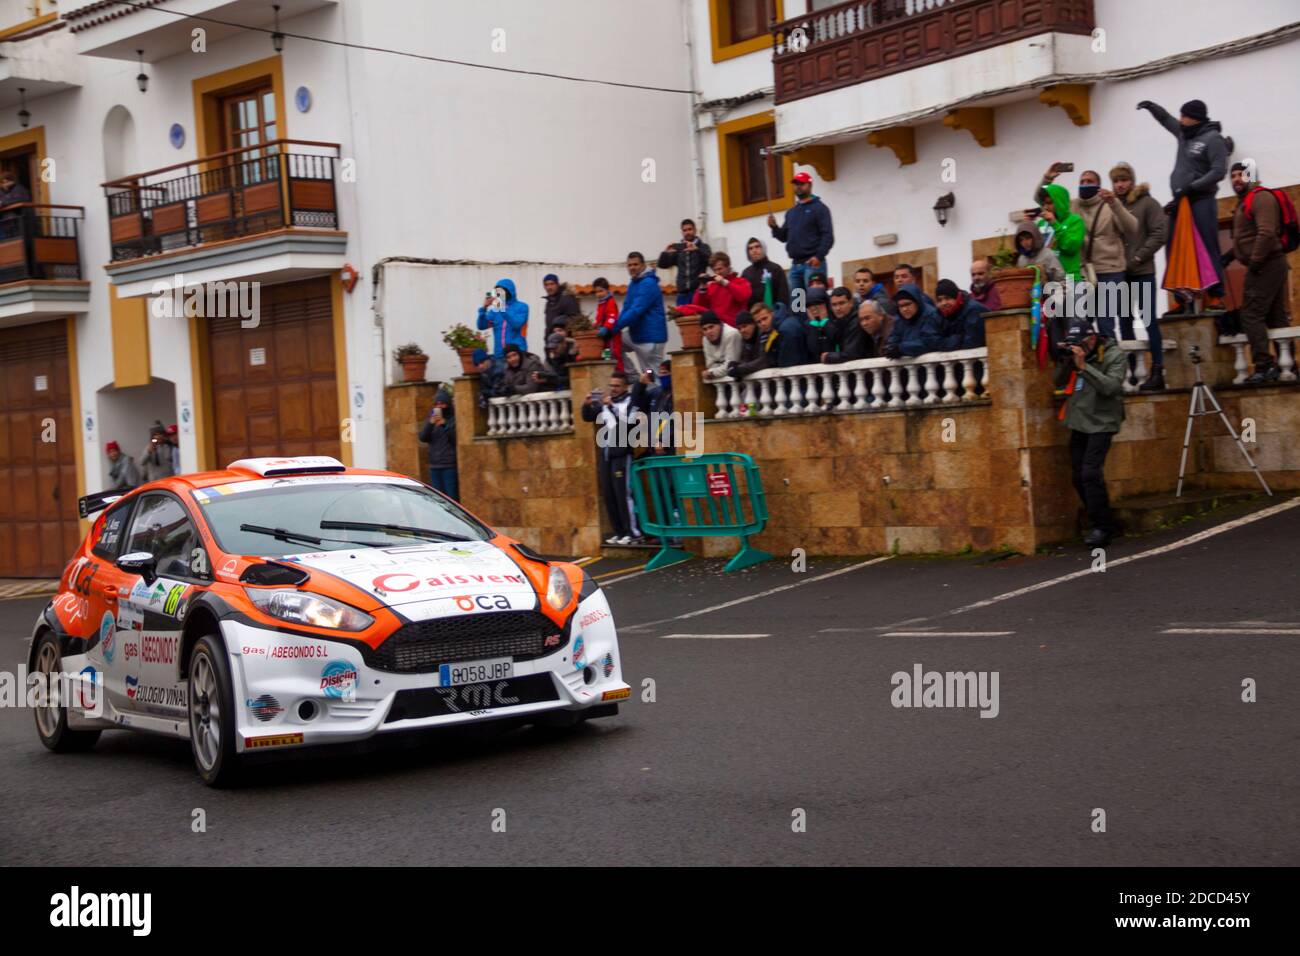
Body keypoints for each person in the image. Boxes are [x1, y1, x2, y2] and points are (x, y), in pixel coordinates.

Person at [1137, 98, 1230, 312]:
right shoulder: (1183, 134)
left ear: (1194, 117)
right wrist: (1152, 106)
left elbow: (1218, 171)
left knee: (1207, 246)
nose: (1180, 120)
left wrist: (1193, 186)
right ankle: (1181, 298)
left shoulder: (1212, 138)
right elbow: (1165, 119)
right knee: (1174, 246)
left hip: (1201, 200)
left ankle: (1216, 297)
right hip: (1181, 200)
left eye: (1184, 116)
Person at [1053, 318, 1126, 547]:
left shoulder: (1114, 355)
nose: (1079, 348)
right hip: (1080, 422)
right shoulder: (1077, 355)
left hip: (1102, 422)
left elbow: (1111, 387)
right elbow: (1057, 381)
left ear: (1092, 339)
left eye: (1081, 343)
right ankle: (1103, 518)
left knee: (1090, 474)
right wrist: (1067, 361)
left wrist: (1085, 367)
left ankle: (1103, 527)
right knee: (1077, 475)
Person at [1223, 163, 1293, 384]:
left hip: (1266, 264)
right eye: (1232, 176)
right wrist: (1229, 256)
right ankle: (1289, 364)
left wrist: (1254, 262)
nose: (1236, 179)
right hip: (1268, 263)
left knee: (1250, 314)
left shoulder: (1261, 198)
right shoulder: (1245, 202)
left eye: (1241, 175)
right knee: (1276, 316)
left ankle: (1265, 365)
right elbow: (1248, 237)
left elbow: (1266, 232)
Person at [1110, 161, 1168, 390]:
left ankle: (1157, 371)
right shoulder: (1112, 207)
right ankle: (1132, 371)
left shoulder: (1147, 204)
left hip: (1142, 272)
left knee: (1149, 320)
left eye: (1123, 179)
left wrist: (1138, 258)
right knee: (1124, 322)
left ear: (1131, 180)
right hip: (1120, 274)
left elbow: (1160, 233)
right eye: (1116, 180)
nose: (1120, 184)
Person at [1074, 169, 1139, 341]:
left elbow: (1133, 228)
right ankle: (1087, 366)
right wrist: (1048, 178)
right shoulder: (1073, 206)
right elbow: (1043, 199)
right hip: (1085, 274)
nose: (1085, 184)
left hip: (1110, 272)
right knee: (1082, 325)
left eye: (1090, 181)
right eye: (1082, 181)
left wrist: (1115, 204)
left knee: (1105, 324)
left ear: (1098, 186)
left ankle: (1111, 364)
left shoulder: (1109, 205)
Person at [581, 371, 639, 545]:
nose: (613, 389)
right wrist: (587, 405)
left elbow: (627, 423)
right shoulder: (606, 404)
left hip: (622, 453)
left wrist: (612, 406)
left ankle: (632, 532)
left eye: (617, 386)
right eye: (611, 386)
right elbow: (588, 417)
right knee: (609, 494)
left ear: (625, 386)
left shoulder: (630, 402)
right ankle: (619, 531)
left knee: (623, 494)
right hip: (607, 453)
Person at [768, 170, 834, 298]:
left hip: (813, 264)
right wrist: (774, 227)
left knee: (815, 300)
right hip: (795, 266)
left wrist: (819, 256)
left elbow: (828, 236)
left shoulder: (820, 208)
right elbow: (784, 237)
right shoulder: (791, 212)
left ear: (809, 186)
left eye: (801, 183)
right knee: (798, 305)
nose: (798, 186)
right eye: (796, 184)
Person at [604, 252, 666, 374]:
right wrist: (613, 329)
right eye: (630, 265)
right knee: (613, 343)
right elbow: (627, 308)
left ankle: (656, 389)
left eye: (635, 264)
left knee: (651, 374)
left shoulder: (648, 283)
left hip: (650, 339)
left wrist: (614, 328)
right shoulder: (634, 283)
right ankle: (631, 374)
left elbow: (636, 310)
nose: (632, 267)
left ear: (643, 265)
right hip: (637, 335)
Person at [1032, 169, 1086, 282]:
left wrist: (1055, 224)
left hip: (1070, 278)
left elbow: (1071, 247)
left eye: (1050, 203)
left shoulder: (1075, 220)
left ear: (1060, 202)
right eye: (1044, 203)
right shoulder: (1041, 223)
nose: (1046, 207)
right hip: (1046, 280)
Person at [677, 251, 751, 327]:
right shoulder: (712, 286)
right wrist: (702, 287)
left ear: (728, 267)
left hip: (735, 328)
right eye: (715, 270)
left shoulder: (741, 281)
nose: (717, 272)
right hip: (717, 329)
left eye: (720, 269)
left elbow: (743, 296)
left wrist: (725, 283)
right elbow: (699, 307)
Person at [657, 219, 712, 306]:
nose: (687, 232)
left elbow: (711, 262)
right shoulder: (679, 249)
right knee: (682, 318)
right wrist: (665, 252)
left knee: (698, 318)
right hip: (682, 293)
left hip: (698, 291)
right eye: (684, 230)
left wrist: (697, 250)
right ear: (682, 232)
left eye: (690, 229)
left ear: (695, 230)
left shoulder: (703, 247)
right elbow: (662, 265)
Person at [883, 285, 946, 359]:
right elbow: (893, 339)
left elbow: (928, 342)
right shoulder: (899, 320)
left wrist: (901, 349)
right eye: (901, 306)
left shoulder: (931, 315)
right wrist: (891, 348)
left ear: (917, 302)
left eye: (908, 304)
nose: (904, 309)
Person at [418, 389, 458, 501]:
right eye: (437, 404)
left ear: (448, 404)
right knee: (438, 500)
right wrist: (430, 424)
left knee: (451, 499)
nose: (439, 406)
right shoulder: (431, 420)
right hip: (434, 466)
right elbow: (422, 437)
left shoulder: (453, 420)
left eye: (442, 403)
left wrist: (444, 425)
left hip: (449, 466)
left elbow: (455, 440)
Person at [476, 278, 529, 358]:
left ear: (509, 291)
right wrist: (484, 308)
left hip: (517, 354)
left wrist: (501, 308)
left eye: (501, 291)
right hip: (500, 356)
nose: (499, 294)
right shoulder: (495, 310)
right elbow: (481, 326)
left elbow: (516, 324)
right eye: (497, 291)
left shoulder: (522, 307)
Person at [935, 279, 989, 350]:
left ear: (957, 297)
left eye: (947, 298)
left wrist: (945, 342)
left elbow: (972, 342)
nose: (943, 303)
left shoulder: (973, 310)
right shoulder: (942, 314)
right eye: (939, 300)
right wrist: (958, 339)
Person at [741, 237, 790, 309]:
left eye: (757, 247)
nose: (754, 250)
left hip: (774, 313)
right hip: (754, 315)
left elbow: (783, 295)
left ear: (763, 248)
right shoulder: (746, 273)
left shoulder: (775, 269)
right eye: (750, 248)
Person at [728, 310, 777, 379]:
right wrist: (736, 366)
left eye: (744, 326)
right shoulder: (745, 340)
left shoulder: (763, 334)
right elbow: (746, 358)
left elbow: (764, 360)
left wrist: (739, 369)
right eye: (739, 328)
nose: (742, 331)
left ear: (754, 324)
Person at [592, 277, 623, 372]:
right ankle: (610, 374)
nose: (598, 294)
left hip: (612, 335)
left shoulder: (610, 302)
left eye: (601, 291)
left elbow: (612, 317)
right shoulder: (601, 303)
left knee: (615, 355)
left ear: (607, 290)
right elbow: (599, 318)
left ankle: (620, 374)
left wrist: (605, 327)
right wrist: (595, 326)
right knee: (606, 356)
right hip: (605, 336)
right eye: (596, 292)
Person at [701, 311, 742, 382]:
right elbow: (710, 365)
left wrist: (712, 373)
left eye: (711, 327)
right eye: (705, 329)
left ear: (720, 325)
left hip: (739, 381)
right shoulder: (705, 339)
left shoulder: (731, 334)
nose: (708, 331)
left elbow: (730, 366)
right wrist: (714, 371)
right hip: (722, 382)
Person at [802, 288, 839, 362]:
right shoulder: (806, 326)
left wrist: (825, 322)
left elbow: (836, 341)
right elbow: (814, 351)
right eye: (809, 305)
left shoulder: (836, 319)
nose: (813, 308)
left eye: (817, 304)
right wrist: (814, 325)